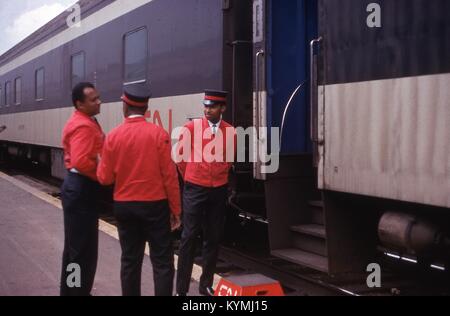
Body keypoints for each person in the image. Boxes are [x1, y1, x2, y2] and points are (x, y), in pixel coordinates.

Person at [97, 84, 181, 296]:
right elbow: (170, 176)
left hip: (125, 207)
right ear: (146, 108)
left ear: (124, 106)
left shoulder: (113, 137)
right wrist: (176, 210)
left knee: (130, 261)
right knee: (162, 261)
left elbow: (105, 178)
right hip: (155, 207)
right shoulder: (159, 134)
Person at [176, 90, 235, 296]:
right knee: (189, 236)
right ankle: (181, 290)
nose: (207, 109)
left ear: (222, 109)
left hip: (218, 190)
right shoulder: (191, 128)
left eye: (212, 106)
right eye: (206, 106)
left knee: (213, 237)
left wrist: (219, 178)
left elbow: (228, 159)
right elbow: (181, 159)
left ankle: (206, 285)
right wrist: (193, 177)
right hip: (195, 187)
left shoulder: (230, 131)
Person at [60, 82, 104, 296]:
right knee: (82, 253)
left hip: (78, 189)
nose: (99, 101)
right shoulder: (83, 125)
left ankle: (71, 291)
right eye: (93, 99)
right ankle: (77, 292)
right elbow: (81, 161)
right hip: (81, 190)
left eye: (98, 97)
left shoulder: (86, 120)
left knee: (75, 250)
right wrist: (103, 175)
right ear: (80, 104)